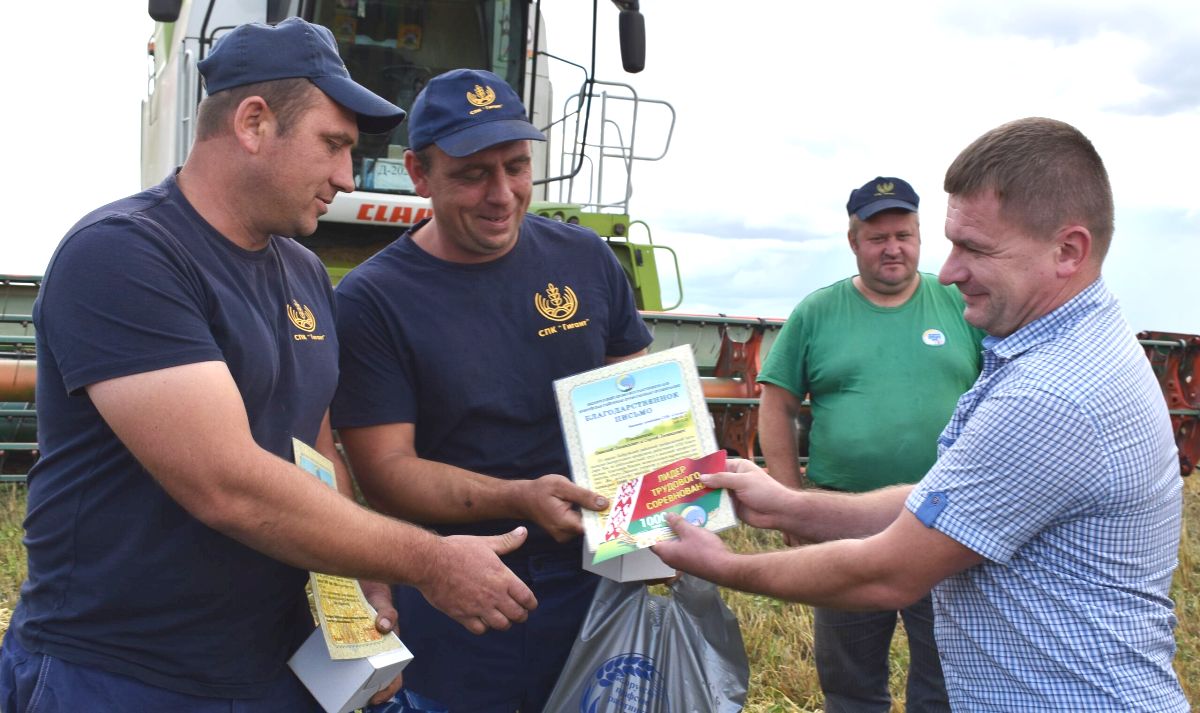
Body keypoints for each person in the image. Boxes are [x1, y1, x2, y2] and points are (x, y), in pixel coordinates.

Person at [0, 19, 538, 713]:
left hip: (271, 670)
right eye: (333, 145)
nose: (345, 176)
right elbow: (228, 483)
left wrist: (361, 583)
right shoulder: (124, 257)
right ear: (254, 122)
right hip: (121, 676)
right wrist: (427, 560)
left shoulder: (304, 271)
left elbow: (310, 447)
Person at [654, 117, 1190, 711]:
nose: (953, 270)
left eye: (976, 248)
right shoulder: (1077, 342)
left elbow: (887, 574)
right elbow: (950, 498)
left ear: (1068, 250)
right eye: (953, 242)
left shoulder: (1049, 394)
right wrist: (796, 503)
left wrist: (725, 566)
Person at [330, 68, 654, 712]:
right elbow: (388, 472)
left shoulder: (586, 260)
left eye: (516, 166)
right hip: (462, 589)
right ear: (419, 173)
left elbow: (638, 405)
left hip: (599, 579)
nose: (502, 194)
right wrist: (522, 498)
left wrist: (661, 517)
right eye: (473, 174)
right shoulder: (373, 300)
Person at [757, 176, 983, 712]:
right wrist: (789, 501)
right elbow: (777, 404)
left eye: (903, 234)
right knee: (851, 680)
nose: (893, 248)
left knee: (944, 677)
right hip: (844, 524)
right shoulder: (818, 312)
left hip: (942, 522)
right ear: (854, 241)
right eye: (877, 237)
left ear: (920, 237)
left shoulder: (959, 304)